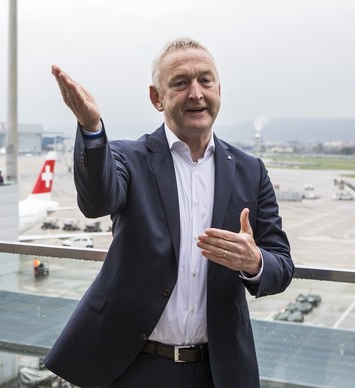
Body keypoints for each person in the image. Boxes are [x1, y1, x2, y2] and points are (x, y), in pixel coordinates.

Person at [43, 38, 294, 388]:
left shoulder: (251, 171)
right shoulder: (129, 158)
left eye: (206, 80)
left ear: (218, 88)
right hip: (132, 366)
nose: (196, 93)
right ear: (156, 97)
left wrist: (254, 262)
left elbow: (281, 264)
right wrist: (91, 127)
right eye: (180, 83)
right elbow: (96, 202)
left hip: (217, 371)